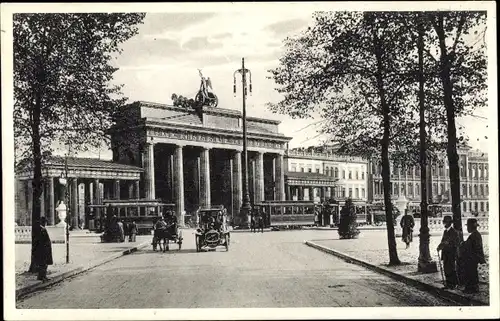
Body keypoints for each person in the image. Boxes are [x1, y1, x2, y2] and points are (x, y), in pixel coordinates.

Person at [458, 218, 486, 293]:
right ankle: (471, 287)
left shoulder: (475, 235)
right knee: (471, 272)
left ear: (471, 227)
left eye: (468, 227)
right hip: (472, 257)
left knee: (471, 272)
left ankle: (472, 288)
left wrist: (463, 245)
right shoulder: (475, 234)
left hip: (472, 258)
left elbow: (472, 247)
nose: (467, 228)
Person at [437, 215, 461, 289]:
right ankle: (448, 284)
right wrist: (439, 247)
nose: (444, 224)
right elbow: (443, 241)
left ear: (450, 223)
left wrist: (447, 244)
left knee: (451, 269)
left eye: (445, 222)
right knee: (446, 269)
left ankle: (454, 284)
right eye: (444, 222)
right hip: (445, 254)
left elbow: (456, 243)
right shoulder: (445, 231)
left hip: (451, 254)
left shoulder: (454, 232)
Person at [34, 217, 53, 282]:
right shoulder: (41, 230)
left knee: (44, 263)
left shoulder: (42, 229)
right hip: (43, 250)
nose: (46, 223)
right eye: (45, 222)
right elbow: (41, 241)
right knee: (43, 264)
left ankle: (42, 276)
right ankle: (42, 276)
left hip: (44, 249)